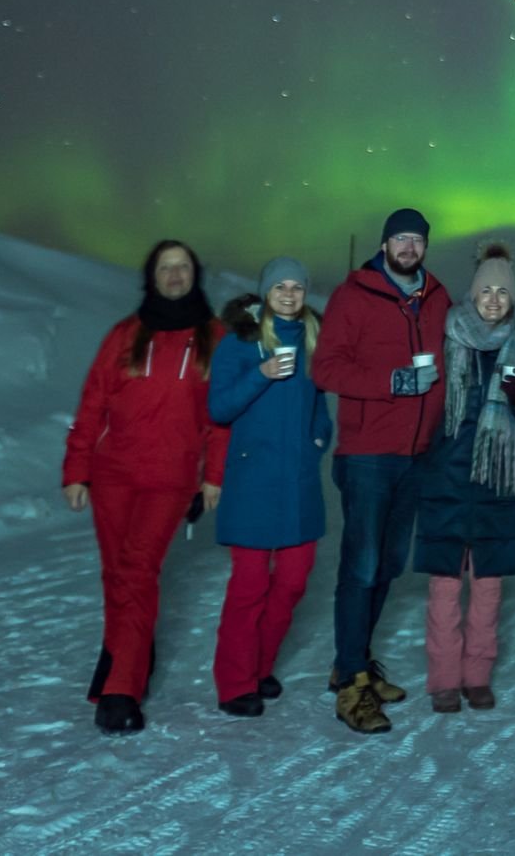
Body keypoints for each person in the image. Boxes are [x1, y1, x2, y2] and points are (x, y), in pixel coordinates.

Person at [61, 238, 229, 733]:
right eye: (165, 267)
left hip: (170, 479)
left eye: (182, 267)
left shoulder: (215, 337)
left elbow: (220, 419)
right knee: (115, 573)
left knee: (137, 570)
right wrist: (76, 469)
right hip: (113, 474)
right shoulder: (125, 334)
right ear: (151, 277)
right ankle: (121, 655)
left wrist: (212, 475)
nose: (174, 275)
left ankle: (121, 689)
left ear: (194, 275)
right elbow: (92, 405)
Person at [311, 207, 451, 734]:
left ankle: (355, 661)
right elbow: (325, 369)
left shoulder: (437, 298)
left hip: (417, 454)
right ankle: (352, 684)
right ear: (385, 244)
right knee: (362, 566)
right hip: (368, 453)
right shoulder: (355, 295)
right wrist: (391, 381)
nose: (409, 247)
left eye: (417, 240)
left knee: (389, 565)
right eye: (401, 239)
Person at [412, 241, 515, 712]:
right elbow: (423, 403)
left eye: (502, 292)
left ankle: (477, 674)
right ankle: (445, 679)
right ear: (473, 293)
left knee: (488, 586)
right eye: (485, 290)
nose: (493, 299)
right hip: (445, 475)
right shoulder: (445, 334)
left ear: (513, 297)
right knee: (445, 586)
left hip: (497, 482)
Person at [206, 257, 334, 717]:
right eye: (279, 286)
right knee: (249, 586)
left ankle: (261, 666)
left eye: (296, 287)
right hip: (252, 481)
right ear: (264, 292)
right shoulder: (240, 344)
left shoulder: (314, 340)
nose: (288, 294)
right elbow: (218, 408)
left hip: (298, 481)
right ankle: (235, 682)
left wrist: (316, 441)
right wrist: (260, 376)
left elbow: (320, 405)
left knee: (294, 582)